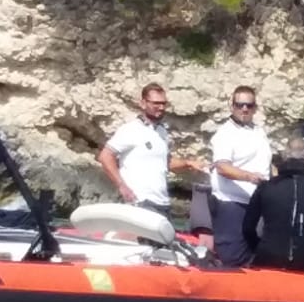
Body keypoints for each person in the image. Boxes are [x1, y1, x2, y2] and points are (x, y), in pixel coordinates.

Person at [96, 83, 201, 216]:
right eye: (156, 103)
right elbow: (105, 156)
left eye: (164, 103)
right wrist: (122, 186)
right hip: (140, 201)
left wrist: (188, 163)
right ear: (143, 103)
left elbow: (166, 162)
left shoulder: (162, 132)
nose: (161, 107)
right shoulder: (131, 130)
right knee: (142, 237)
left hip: (162, 203)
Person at [243, 137, 304, 271]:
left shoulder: (266, 188)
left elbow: (247, 227)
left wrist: (257, 247)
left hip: (268, 254)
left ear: (284, 156)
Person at [208, 85, 273, 266]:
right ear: (232, 106)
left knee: (257, 252)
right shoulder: (225, 134)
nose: (244, 109)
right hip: (231, 202)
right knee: (233, 256)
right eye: (239, 105)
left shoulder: (258, 132)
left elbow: (267, 163)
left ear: (255, 108)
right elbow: (222, 167)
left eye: (249, 105)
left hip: (256, 203)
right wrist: (249, 177)